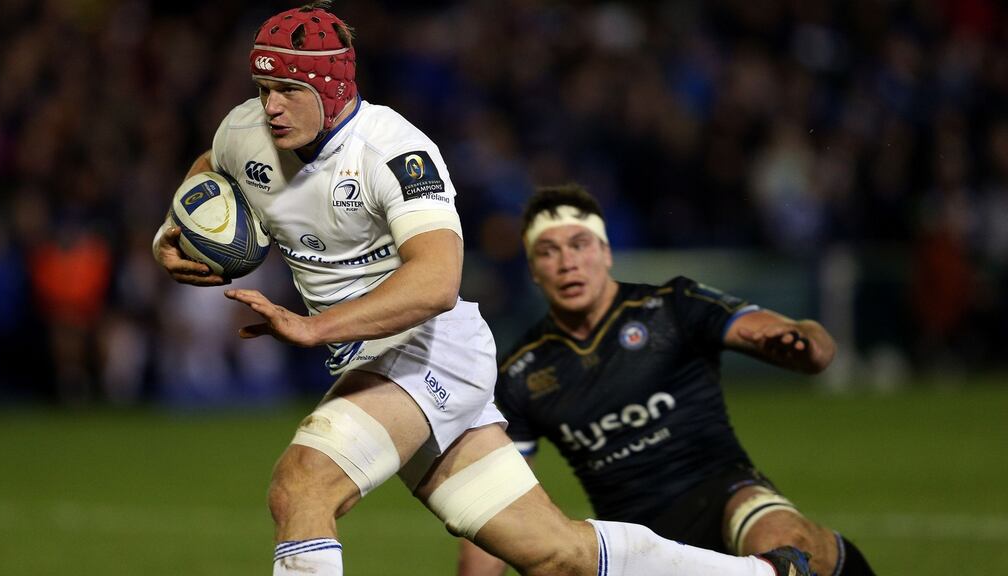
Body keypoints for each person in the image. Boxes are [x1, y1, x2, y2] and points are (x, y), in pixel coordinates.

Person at [153, 3, 814, 575]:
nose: (270, 105)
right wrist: (173, 234)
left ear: (331, 89)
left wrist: (314, 326)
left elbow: (436, 281)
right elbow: (212, 167)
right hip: (378, 364)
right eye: (263, 87)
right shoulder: (247, 129)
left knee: (302, 485)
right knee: (555, 554)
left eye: (288, 89)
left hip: (427, 351)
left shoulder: (395, 153)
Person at [458, 184, 876, 576]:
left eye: (579, 244)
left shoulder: (673, 306)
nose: (567, 262)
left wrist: (808, 344)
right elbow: (499, 500)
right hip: (637, 542)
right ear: (533, 269)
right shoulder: (522, 373)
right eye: (548, 251)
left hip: (726, 496)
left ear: (605, 252)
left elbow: (801, 339)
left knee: (788, 540)